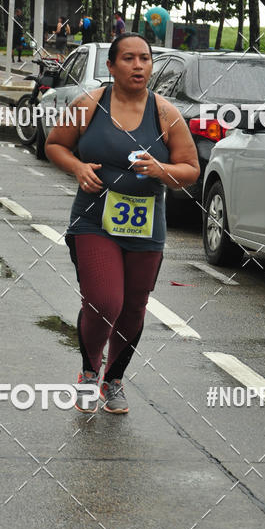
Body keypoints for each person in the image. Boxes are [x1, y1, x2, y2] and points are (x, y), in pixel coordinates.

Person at [45, 32, 200, 414]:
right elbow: (54, 145)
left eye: (144, 58)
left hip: (146, 227)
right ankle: (88, 372)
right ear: (111, 66)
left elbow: (191, 169)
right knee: (104, 301)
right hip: (93, 220)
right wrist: (77, 167)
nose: (138, 65)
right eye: (128, 58)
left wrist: (161, 169)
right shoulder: (88, 105)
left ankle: (113, 380)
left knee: (132, 308)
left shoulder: (165, 114)